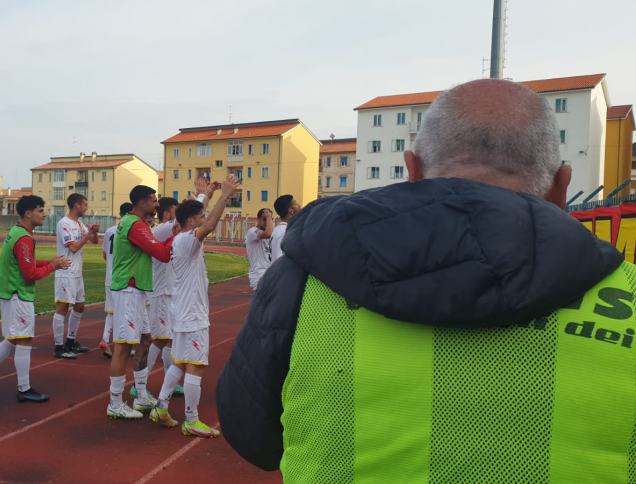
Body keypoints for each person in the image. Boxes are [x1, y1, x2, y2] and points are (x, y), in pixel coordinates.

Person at [216, 79, 635, 483]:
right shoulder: (629, 293)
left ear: (412, 170)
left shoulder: (304, 277)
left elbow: (255, 438)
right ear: (562, 185)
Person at [149, 174, 240, 438]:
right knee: (196, 366)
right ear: (191, 221)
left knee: (179, 362)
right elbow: (210, 225)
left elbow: (204, 220)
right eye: (200, 216)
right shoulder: (188, 239)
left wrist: (207, 195)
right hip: (192, 315)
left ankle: (161, 406)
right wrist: (224, 196)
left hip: (182, 312)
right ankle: (191, 420)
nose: (204, 218)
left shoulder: (181, 238)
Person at [0, 195, 70, 403]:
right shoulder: (24, 238)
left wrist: (49, 262)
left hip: (8, 292)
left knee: (13, 337)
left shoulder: (17, 233)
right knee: (24, 339)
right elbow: (29, 274)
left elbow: (27, 263)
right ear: (28, 213)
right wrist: (53, 266)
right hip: (17, 294)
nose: (44, 214)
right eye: (40, 210)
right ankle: (23, 389)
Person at [106, 185, 175, 419]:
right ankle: (115, 402)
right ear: (142, 202)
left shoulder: (135, 223)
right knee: (123, 346)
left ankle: (142, 395)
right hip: (128, 290)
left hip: (136, 290)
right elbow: (163, 254)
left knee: (146, 339)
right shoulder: (134, 225)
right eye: (154, 201)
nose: (157, 205)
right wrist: (179, 234)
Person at [52, 194, 99, 359]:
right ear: (77, 205)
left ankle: (71, 341)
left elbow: (94, 242)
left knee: (79, 306)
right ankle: (59, 346)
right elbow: (73, 248)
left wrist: (94, 232)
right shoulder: (64, 223)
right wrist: (87, 236)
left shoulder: (79, 223)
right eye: (85, 204)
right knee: (63, 308)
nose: (86, 208)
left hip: (77, 273)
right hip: (66, 272)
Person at [100, 202, 133, 358]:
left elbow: (105, 254)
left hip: (110, 277)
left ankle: (105, 339)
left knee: (111, 311)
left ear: (120, 214)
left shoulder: (109, 231)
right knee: (127, 310)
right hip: (124, 277)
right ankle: (127, 343)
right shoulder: (130, 230)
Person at [245, 208, 273, 291]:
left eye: (269, 219)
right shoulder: (252, 232)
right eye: (264, 219)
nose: (266, 222)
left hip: (269, 273)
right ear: (258, 219)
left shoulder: (271, 233)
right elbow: (267, 234)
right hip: (258, 275)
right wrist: (269, 217)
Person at [269, 195, 300, 263]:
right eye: (295, 203)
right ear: (291, 210)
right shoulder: (284, 232)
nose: (299, 205)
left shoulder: (278, 230)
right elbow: (279, 261)